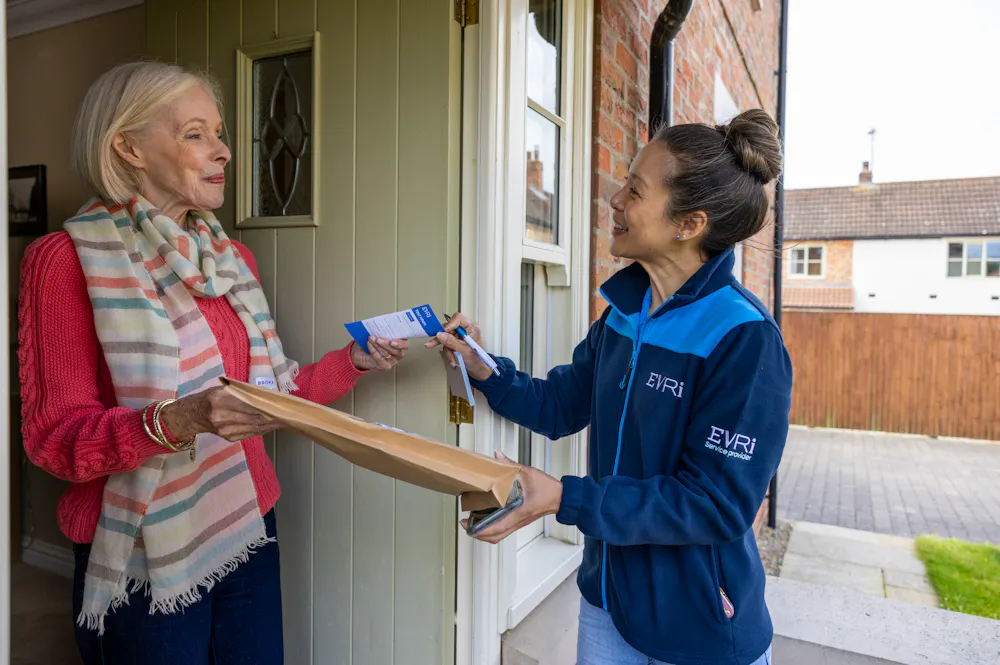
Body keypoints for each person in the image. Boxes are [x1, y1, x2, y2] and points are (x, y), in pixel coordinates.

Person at [18, 61, 407, 665]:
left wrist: (355, 360)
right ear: (129, 147)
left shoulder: (231, 261)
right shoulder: (67, 260)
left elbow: (269, 392)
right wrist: (181, 420)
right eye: (195, 133)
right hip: (140, 549)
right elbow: (54, 442)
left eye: (220, 133)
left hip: (248, 523)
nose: (224, 150)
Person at [431, 109, 791, 665]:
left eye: (635, 189)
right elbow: (561, 405)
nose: (615, 200)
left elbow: (714, 504)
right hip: (606, 603)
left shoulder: (744, 338)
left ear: (688, 224)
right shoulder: (626, 312)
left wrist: (565, 497)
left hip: (697, 627)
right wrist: (487, 370)